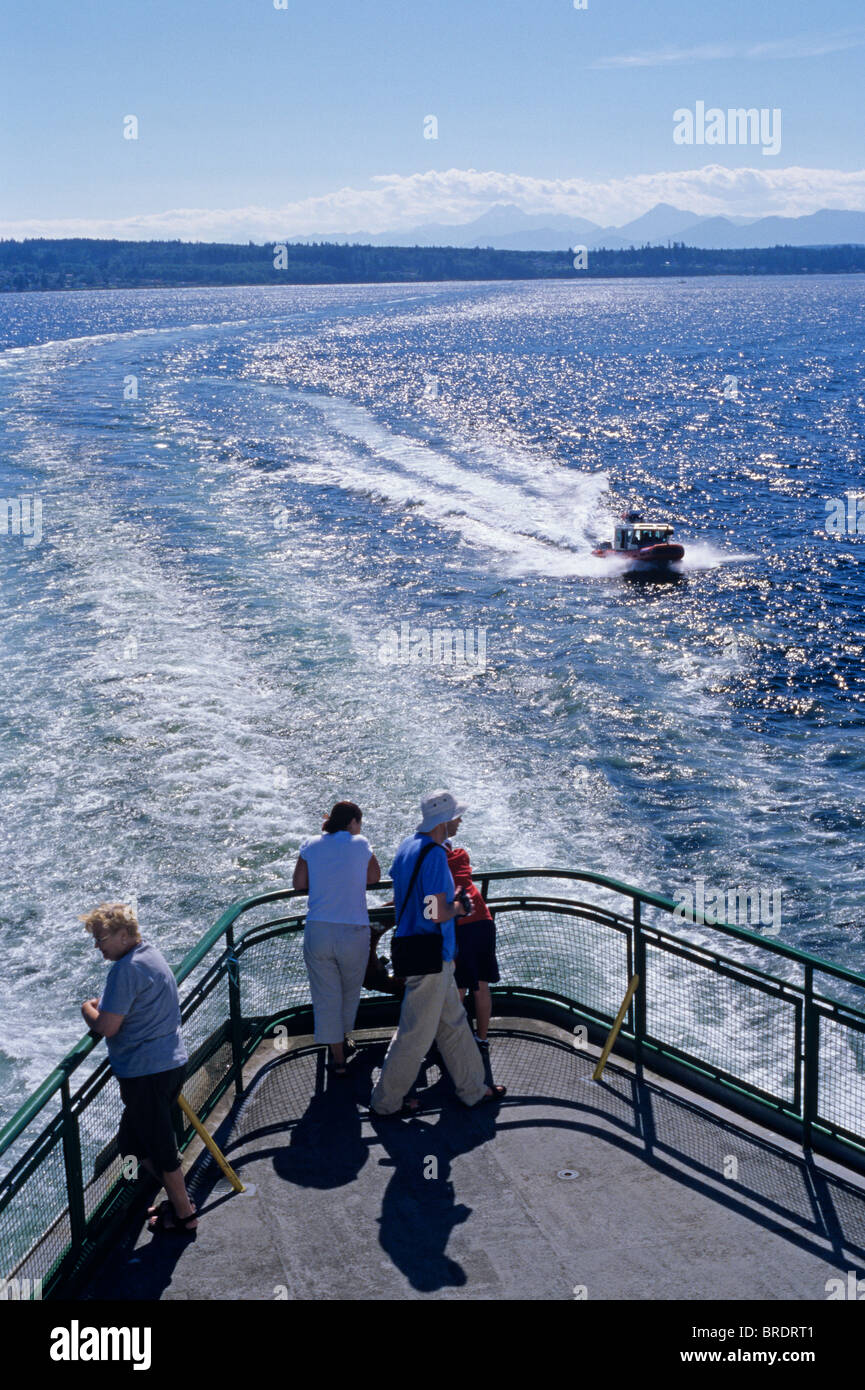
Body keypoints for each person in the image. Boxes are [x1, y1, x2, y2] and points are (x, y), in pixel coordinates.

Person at [369, 790, 506, 1118]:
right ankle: (386, 1102)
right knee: (414, 1034)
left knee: (454, 1024)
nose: (459, 820)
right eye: (456, 816)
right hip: (430, 954)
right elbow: (435, 912)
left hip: (418, 948)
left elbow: (408, 897)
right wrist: (460, 905)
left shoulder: (407, 846)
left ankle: (473, 1089)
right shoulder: (433, 856)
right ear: (443, 821)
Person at [80, 902, 196, 1233]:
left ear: (124, 934)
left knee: (161, 1148)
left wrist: (87, 1009)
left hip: (145, 1074)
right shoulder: (150, 955)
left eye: (101, 938)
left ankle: (185, 1214)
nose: (97, 946)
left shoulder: (124, 970)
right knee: (131, 1144)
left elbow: (107, 1027)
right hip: (169, 1064)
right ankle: (172, 1197)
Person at [293, 800, 381, 1076]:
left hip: (319, 930)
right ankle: (343, 1038)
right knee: (349, 991)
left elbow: (299, 884)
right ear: (353, 821)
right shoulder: (361, 843)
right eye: (359, 822)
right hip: (353, 931)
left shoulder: (310, 844)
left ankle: (337, 1055)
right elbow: (375, 877)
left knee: (325, 994)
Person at [444, 817, 500, 1047]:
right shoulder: (462, 855)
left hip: (462, 926)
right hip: (484, 922)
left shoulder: (436, 863)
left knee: (460, 986)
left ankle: (454, 1041)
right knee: (481, 985)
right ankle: (482, 1037)